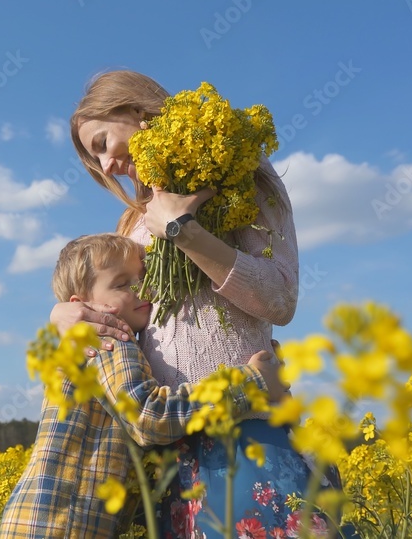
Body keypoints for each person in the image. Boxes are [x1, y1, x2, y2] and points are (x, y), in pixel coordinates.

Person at [53, 70, 340, 538]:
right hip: (168, 451)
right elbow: (123, 310)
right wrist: (65, 313)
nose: (105, 165)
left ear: (136, 110)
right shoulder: (133, 223)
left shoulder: (243, 179)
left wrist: (183, 231)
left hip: (247, 438)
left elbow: (279, 298)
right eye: (94, 157)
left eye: (104, 142)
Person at [0, 233, 286, 538]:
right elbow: (149, 417)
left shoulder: (84, 343)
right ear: (81, 306)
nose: (141, 289)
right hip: (61, 526)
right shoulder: (108, 339)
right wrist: (250, 383)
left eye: (143, 278)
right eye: (122, 284)